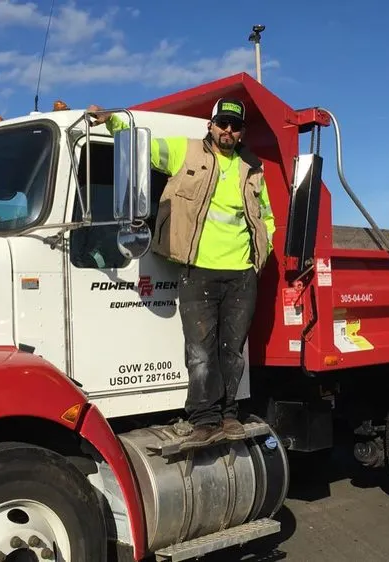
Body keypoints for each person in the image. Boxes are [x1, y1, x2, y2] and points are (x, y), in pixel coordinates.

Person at [87, 98, 276, 451]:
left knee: (232, 350)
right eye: (222, 124)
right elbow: (142, 145)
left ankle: (229, 414)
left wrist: (259, 257)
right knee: (201, 351)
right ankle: (203, 420)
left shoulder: (252, 169)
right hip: (198, 270)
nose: (228, 131)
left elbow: (266, 216)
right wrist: (112, 121)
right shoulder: (184, 152)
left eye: (235, 126)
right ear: (211, 125)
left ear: (241, 132)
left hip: (241, 274)